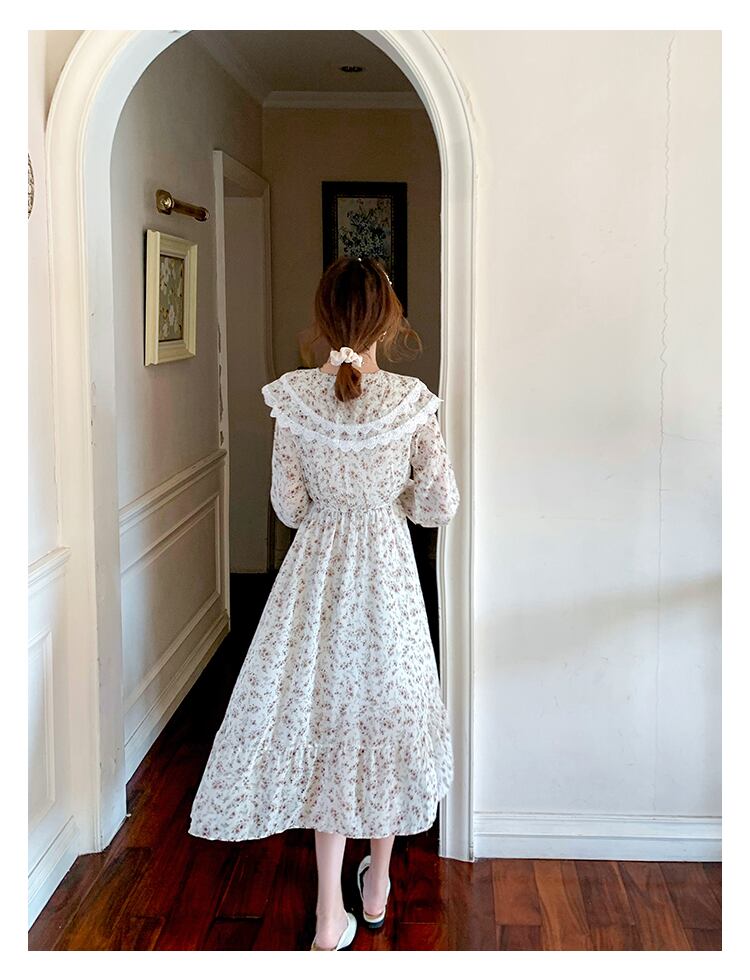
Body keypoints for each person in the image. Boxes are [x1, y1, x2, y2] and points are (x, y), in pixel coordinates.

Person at [188, 255, 460, 951]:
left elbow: (288, 504)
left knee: (326, 721)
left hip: (316, 581)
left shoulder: (295, 399)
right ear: (390, 322)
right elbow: (440, 505)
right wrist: (393, 496)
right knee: (384, 719)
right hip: (387, 581)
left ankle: (327, 916)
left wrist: (338, 500)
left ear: (323, 317)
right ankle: (378, 888)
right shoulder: (411, 401)